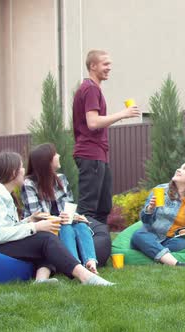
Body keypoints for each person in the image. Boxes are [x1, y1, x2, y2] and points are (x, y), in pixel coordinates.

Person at [0, 151, 114, 286]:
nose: (24, 170)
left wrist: (30, 220)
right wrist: (36, 227)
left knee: (46, 238)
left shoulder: (2, 193)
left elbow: (7, 227)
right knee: (45, 239)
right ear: (12, 172)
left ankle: (41, 281)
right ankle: (86, 277)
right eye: (21, 167)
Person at [72, 49, 140, 266]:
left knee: (102, 207)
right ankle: (83, 257)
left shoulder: (94, 89)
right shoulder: (90, 89)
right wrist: (123, 114)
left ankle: (98, 255)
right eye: (105, 64)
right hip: (90, 154)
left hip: (99, 154)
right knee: (88, 210)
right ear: (93, 66)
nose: (109, 67)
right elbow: (92, 123)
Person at [21, 143, 99, 274]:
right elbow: (37, 215)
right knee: (66, 227)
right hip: (42, 227)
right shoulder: (29, 184)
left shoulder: (61, 179)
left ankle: (91, 262)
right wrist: (60, 219)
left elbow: (68, 206)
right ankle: (75, 266)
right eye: (55, 154)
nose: (59, 155)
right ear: (47, 161)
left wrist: (74, 216)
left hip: (62, 222)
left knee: (81, 225)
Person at [131, 161, 185, 266]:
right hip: (151, 235)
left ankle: (153, 251)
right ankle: (175, 263)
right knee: (138, 235)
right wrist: (150, 209)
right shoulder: (161, 190)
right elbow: (145, 221)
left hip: (172, 240)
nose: (178, 169)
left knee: (182, 244)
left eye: (184, 169)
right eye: (180, 167)